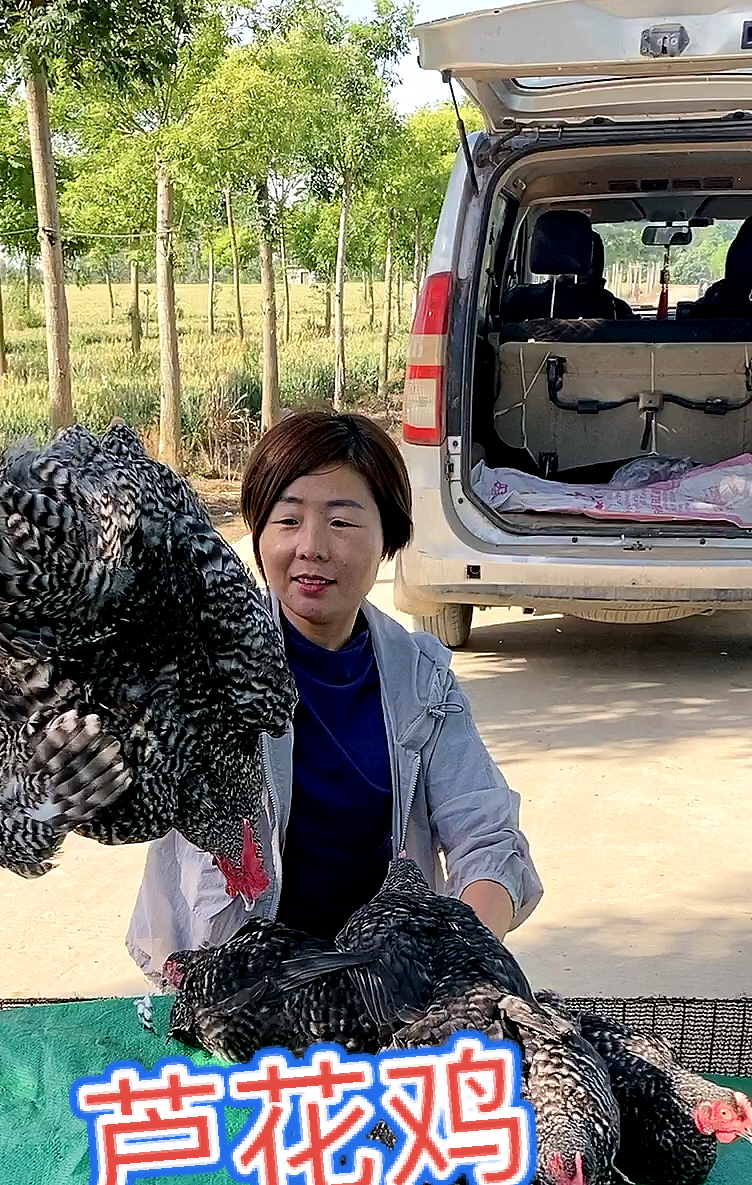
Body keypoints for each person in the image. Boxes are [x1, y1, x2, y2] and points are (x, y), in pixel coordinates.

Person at [126, 411, 542, 985]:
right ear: (257, 531)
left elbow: (486, 834)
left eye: (343, 523)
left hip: (381, 992)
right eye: (287, 519)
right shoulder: (197, 666)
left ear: (388, 539)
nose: (312, 547)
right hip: (227, 990)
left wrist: (457, 952)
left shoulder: (423, 681)